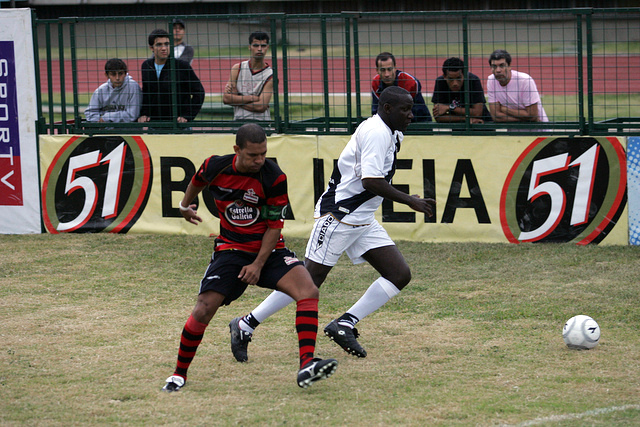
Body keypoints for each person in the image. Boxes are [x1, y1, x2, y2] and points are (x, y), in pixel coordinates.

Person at [228, 87, 436, 362]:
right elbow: (370, 181)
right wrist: (410, 200)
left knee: (399, 274)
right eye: (405, 110)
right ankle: (246, 324)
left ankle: (345, 323)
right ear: (387, 109)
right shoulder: (377, 132)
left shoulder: (392, 131)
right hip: (339, 216)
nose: (411, 115)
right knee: (308, 280)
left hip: (361, 218)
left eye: (411, 109)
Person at [162, 123, 338, 392]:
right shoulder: (215, 166)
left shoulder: (274, 177)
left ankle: (307, 364)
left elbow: (274, 227)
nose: (259, 160)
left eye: (263, 154)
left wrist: (257, 264)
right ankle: (178, 375)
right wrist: (185, 205)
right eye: (253, 155)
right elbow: (198, 180)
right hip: (230, 249)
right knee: (204, 308)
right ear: (237, 150)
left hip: (269, 250)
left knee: (308, 291)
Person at [138, 29, 204, 124]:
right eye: (159, 45)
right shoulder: (146, 66)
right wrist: (144, 113)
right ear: (151, 48)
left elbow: (199, 92)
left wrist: (187, 115)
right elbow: (147, 93)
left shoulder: (182, 66)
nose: (164, 48)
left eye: (166, 44)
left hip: (178, 125)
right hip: (155, 123)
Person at [486, 49, 548, 123]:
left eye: (502, 66)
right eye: (494, 66)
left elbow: (532, 116)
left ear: (509, 66)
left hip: (538, 129)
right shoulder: (491, 80)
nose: (498, 70)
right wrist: (524, 119)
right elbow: (495, 116)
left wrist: (505, 109)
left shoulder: (525, 81)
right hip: (515, 129)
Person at [223, 31, 274, 121]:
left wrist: (236, 100)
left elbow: (261, 107)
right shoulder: (237, 68)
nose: (259, 49)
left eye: (263, 46)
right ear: (249, 47)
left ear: (267, 47)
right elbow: (226, 99)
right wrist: (251, 98)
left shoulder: (270, 75)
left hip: (260, 122)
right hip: (239, 121)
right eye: (255, 45)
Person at [371, 52, 432, 122]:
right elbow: (376, 112)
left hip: (416, 122)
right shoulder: (375, 83)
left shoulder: (410, 82)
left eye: (389, 69)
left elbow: (419, 111)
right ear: (377, 70)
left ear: (395, 68)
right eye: (382, 70)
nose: (386, 74)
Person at [431, 57, 492, 124]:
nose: (455, 83)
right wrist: (465, 119)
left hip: (481, 124)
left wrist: (450, 107)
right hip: (458, 125)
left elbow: (477, 113)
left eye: (458, 78)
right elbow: (438, 116)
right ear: (444, 77)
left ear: (464, 75)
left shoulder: (473, 81)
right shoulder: (440, 82)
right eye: (451, 79)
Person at [84, 58, 141, 123]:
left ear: (125, 74)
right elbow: (90, 113)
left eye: (120, 74)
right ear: (107, 75)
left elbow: (132, 115)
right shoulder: (100, 90)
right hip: (105, 128)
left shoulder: (133, 87)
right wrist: (99, 121)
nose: (117, 78)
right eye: (113, 74)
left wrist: (107, 118)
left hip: (127, 128)